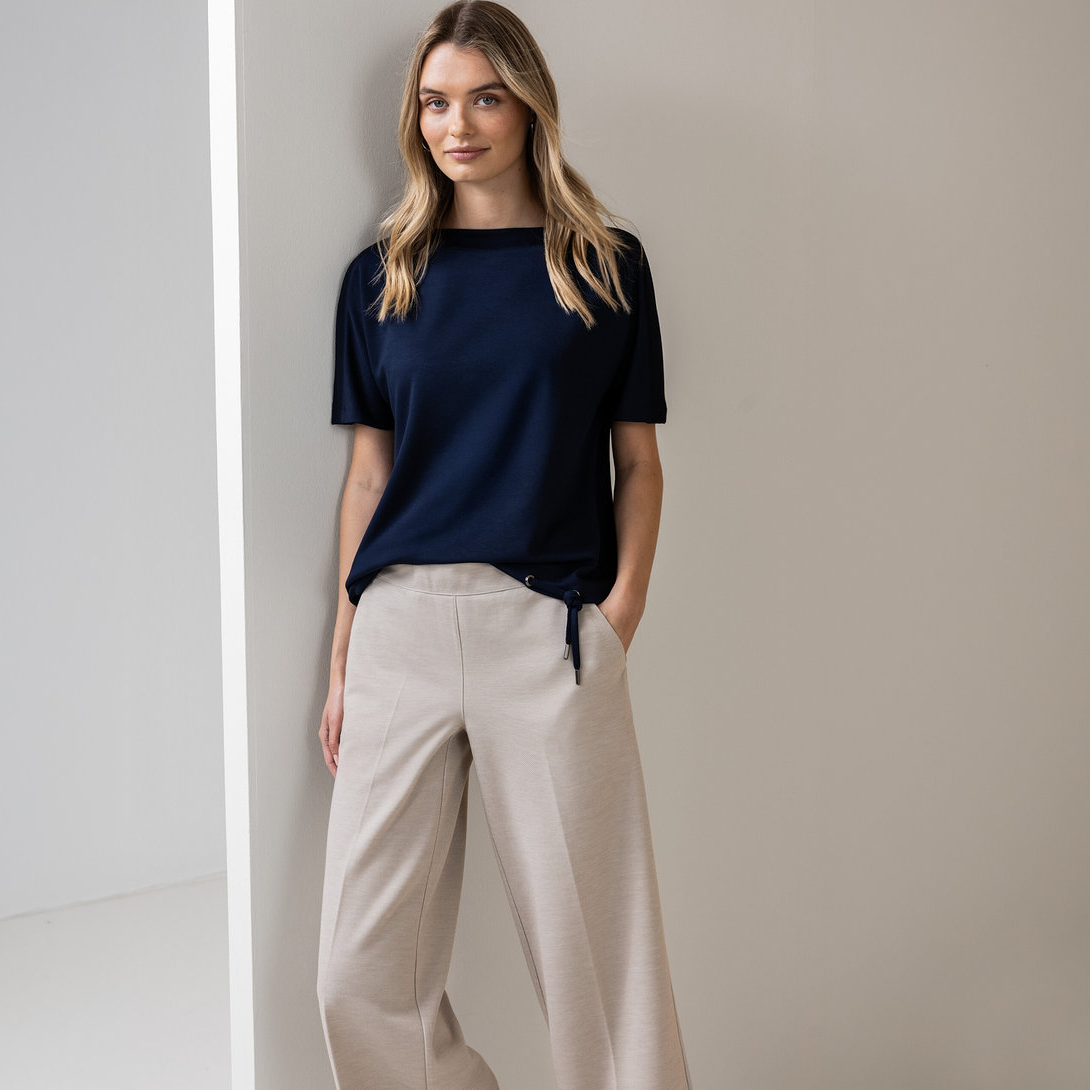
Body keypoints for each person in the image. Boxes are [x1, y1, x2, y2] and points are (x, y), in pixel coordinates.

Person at [315, 3, 693, 1087]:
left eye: (484, 97)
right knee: (356, 974)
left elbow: (642, 468)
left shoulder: (605, 266)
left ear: (529, 105)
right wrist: (345, 654)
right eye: (435, 102)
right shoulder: (380, 278)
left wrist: (612, 625)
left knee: (601, 976)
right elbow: (369, 479)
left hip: (547, 630)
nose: (458, 124)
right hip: (400, 631)